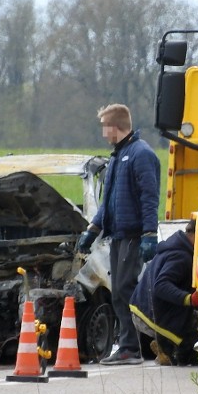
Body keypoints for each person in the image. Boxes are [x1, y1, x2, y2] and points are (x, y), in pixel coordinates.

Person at [78, 103, 160, 365]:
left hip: (134, 235)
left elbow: (149, 197)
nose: (104, 133)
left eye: (105, 127)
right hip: (119, 235)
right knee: (119, 291)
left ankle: (131, 348)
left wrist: (149, 233)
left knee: (125, 289)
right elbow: (109, 202)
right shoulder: (117, 156)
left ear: (116, 127)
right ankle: (130, 345)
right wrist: (92, 230)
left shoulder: (141, 154)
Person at [129, 218, 198, 366]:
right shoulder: (182, 256)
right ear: (196, 234)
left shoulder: (176, 247)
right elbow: (161, 286)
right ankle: (170, 349)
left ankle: (167, 346)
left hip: (142, 308)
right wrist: (189, 299)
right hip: (151, 314)